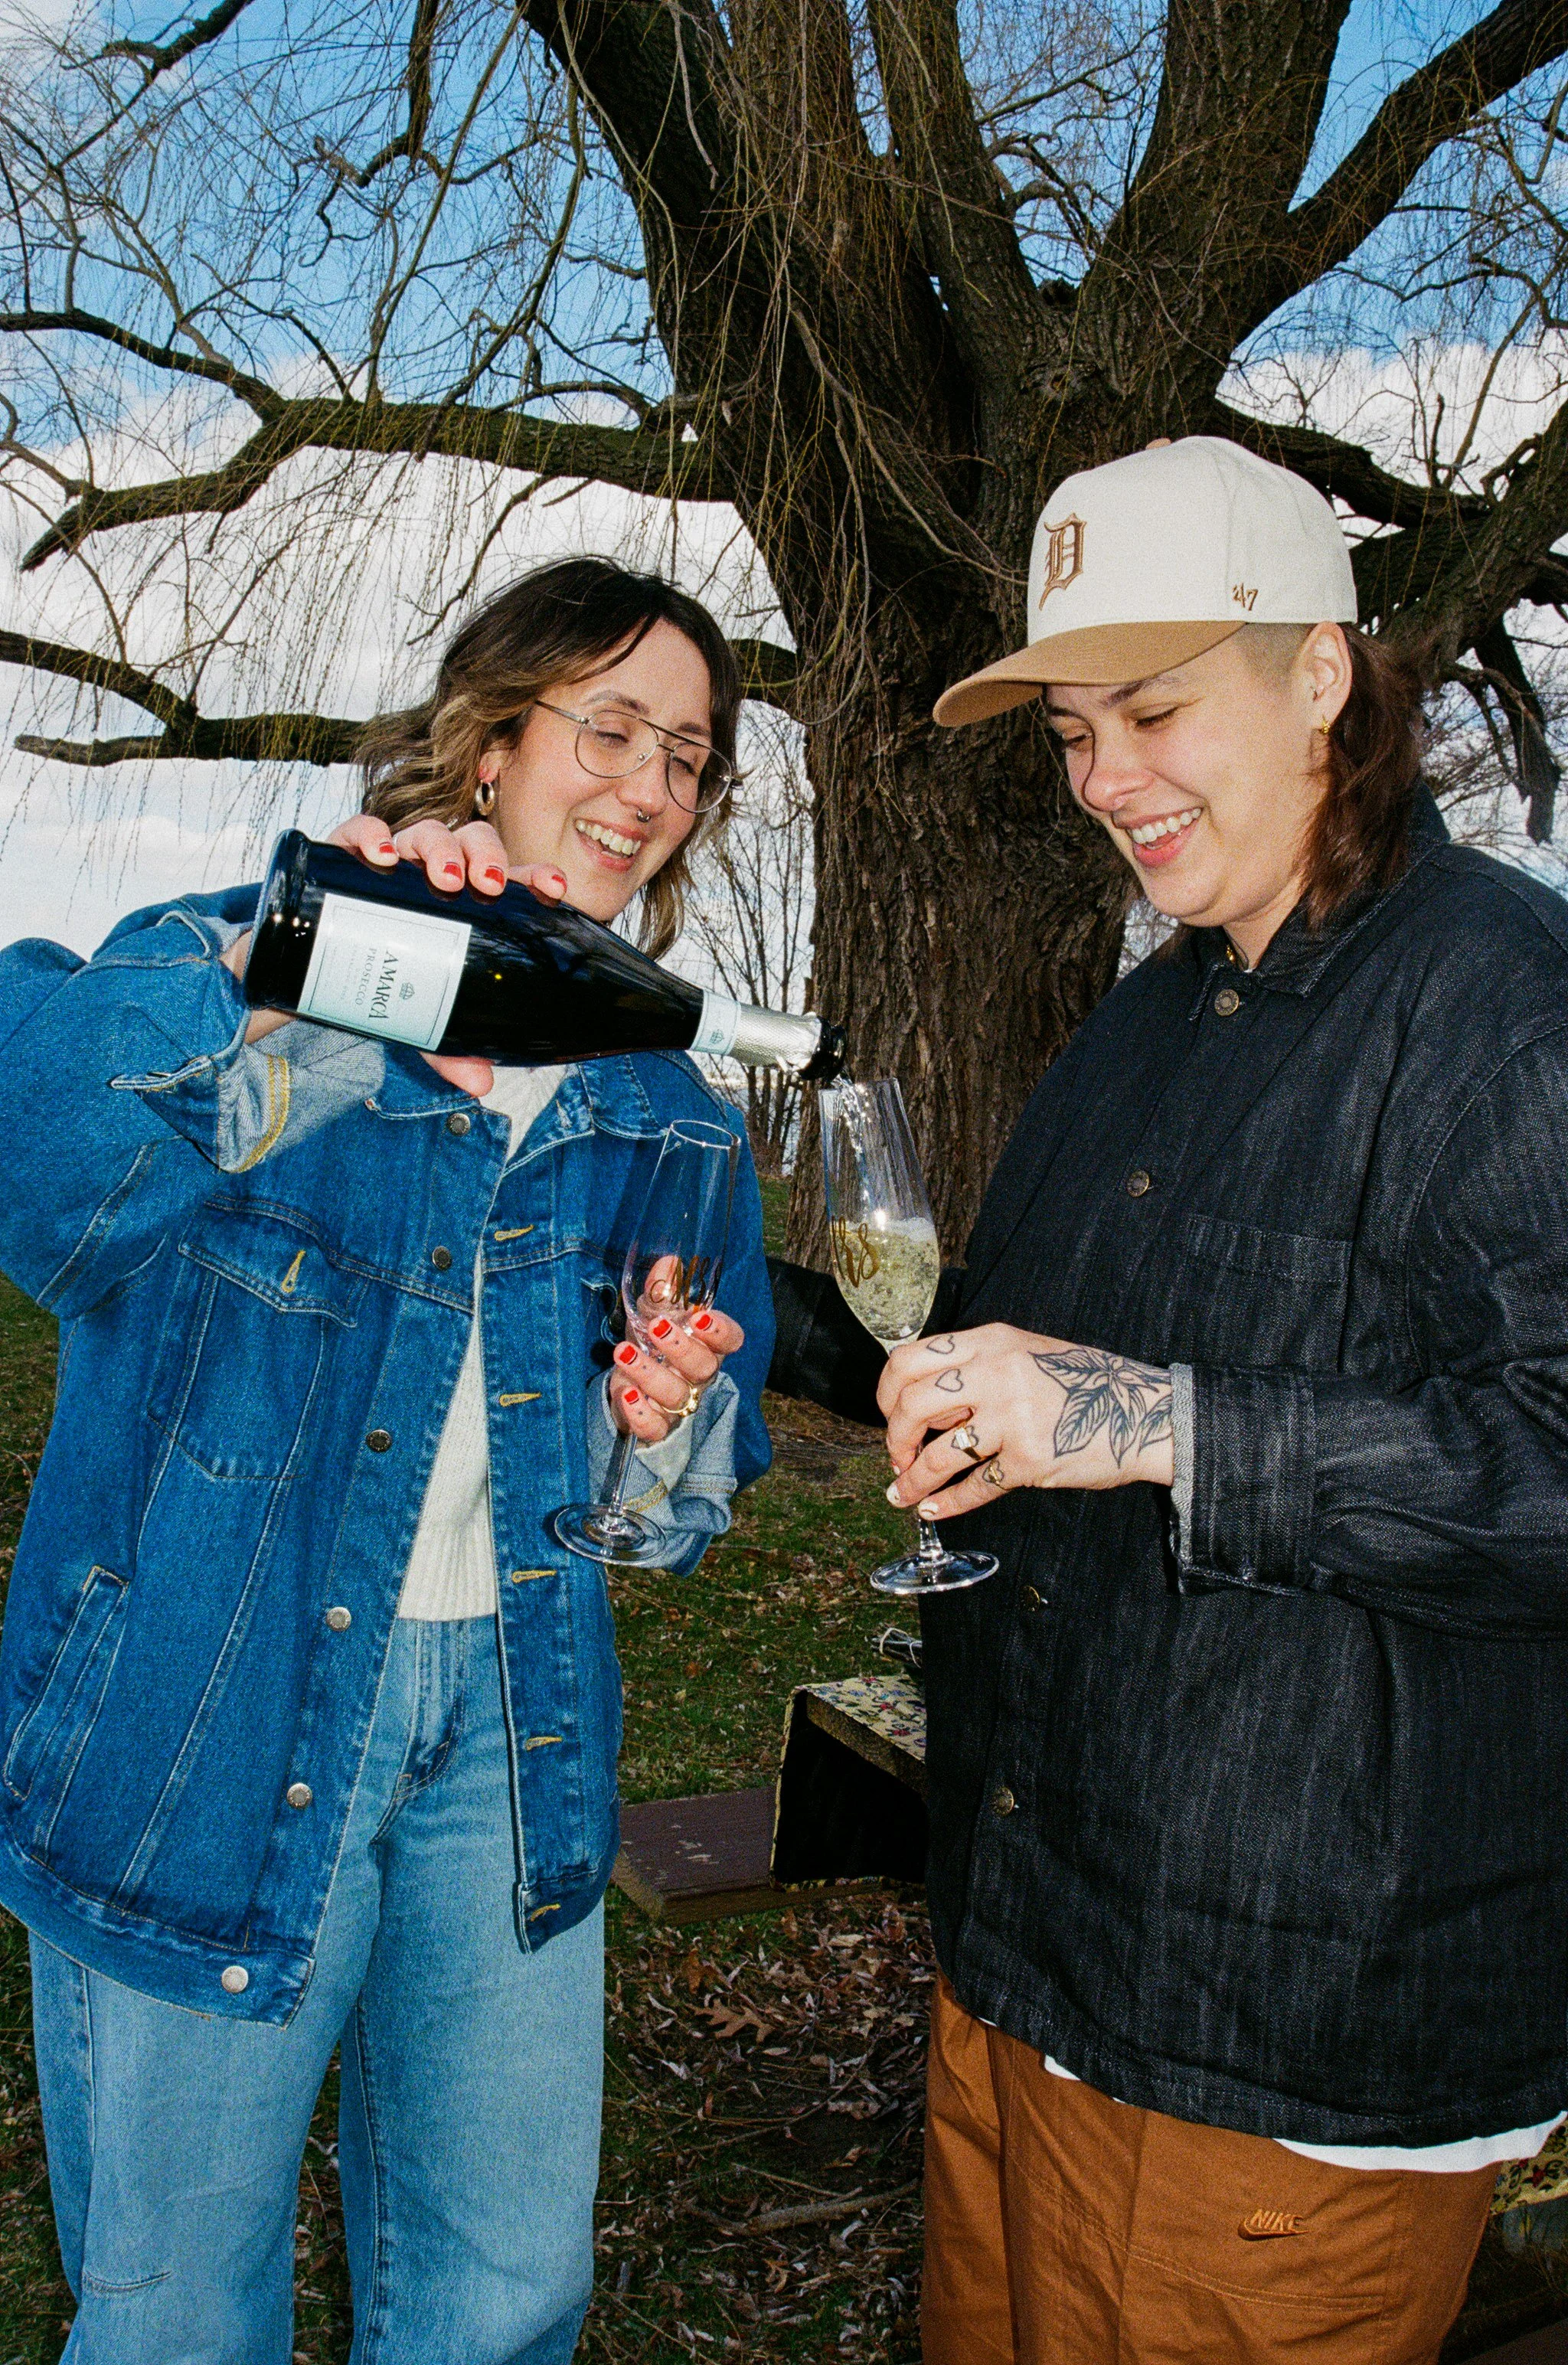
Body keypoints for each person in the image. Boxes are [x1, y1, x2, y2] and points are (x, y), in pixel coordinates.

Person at [768, 436, 1568, 2363]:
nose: (1104, 776)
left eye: (1150, 706)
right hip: (1030, 1956)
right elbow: (1011, 1356)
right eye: (1066, 729)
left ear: (1319, 674)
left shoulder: (1499, 1007)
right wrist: (758, 1317)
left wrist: (1152, 1423)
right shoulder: (1152, 1007)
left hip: (1280, 2046)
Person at [0, 557, 773, 2364]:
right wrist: (294, 991)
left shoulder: (666, 1106)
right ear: (489, 742)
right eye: (610, 727)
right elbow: (46, 1184)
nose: (651, 786)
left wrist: (650, 1432)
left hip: (508, 1733)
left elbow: (670, 1508)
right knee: (179, 2314)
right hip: (210, 1707)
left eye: (690, 754)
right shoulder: (253, 948)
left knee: (501, 2298)